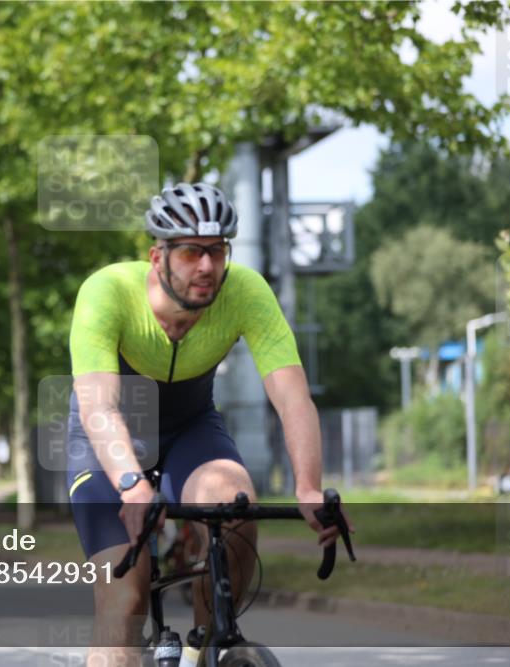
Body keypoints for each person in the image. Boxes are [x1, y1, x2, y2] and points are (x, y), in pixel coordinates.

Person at [66, 182, 353, 665]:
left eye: (218, 251)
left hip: (189, 427)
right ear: (158, 257)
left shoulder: (244, 291)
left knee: (234, 504)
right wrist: (132, 485)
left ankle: (204, 646)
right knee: (125, 601)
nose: (207, 267)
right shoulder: (107, 291)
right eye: (193, 252)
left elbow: (292, 397)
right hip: (107, 441)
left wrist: (308, 487)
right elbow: (99, 406)